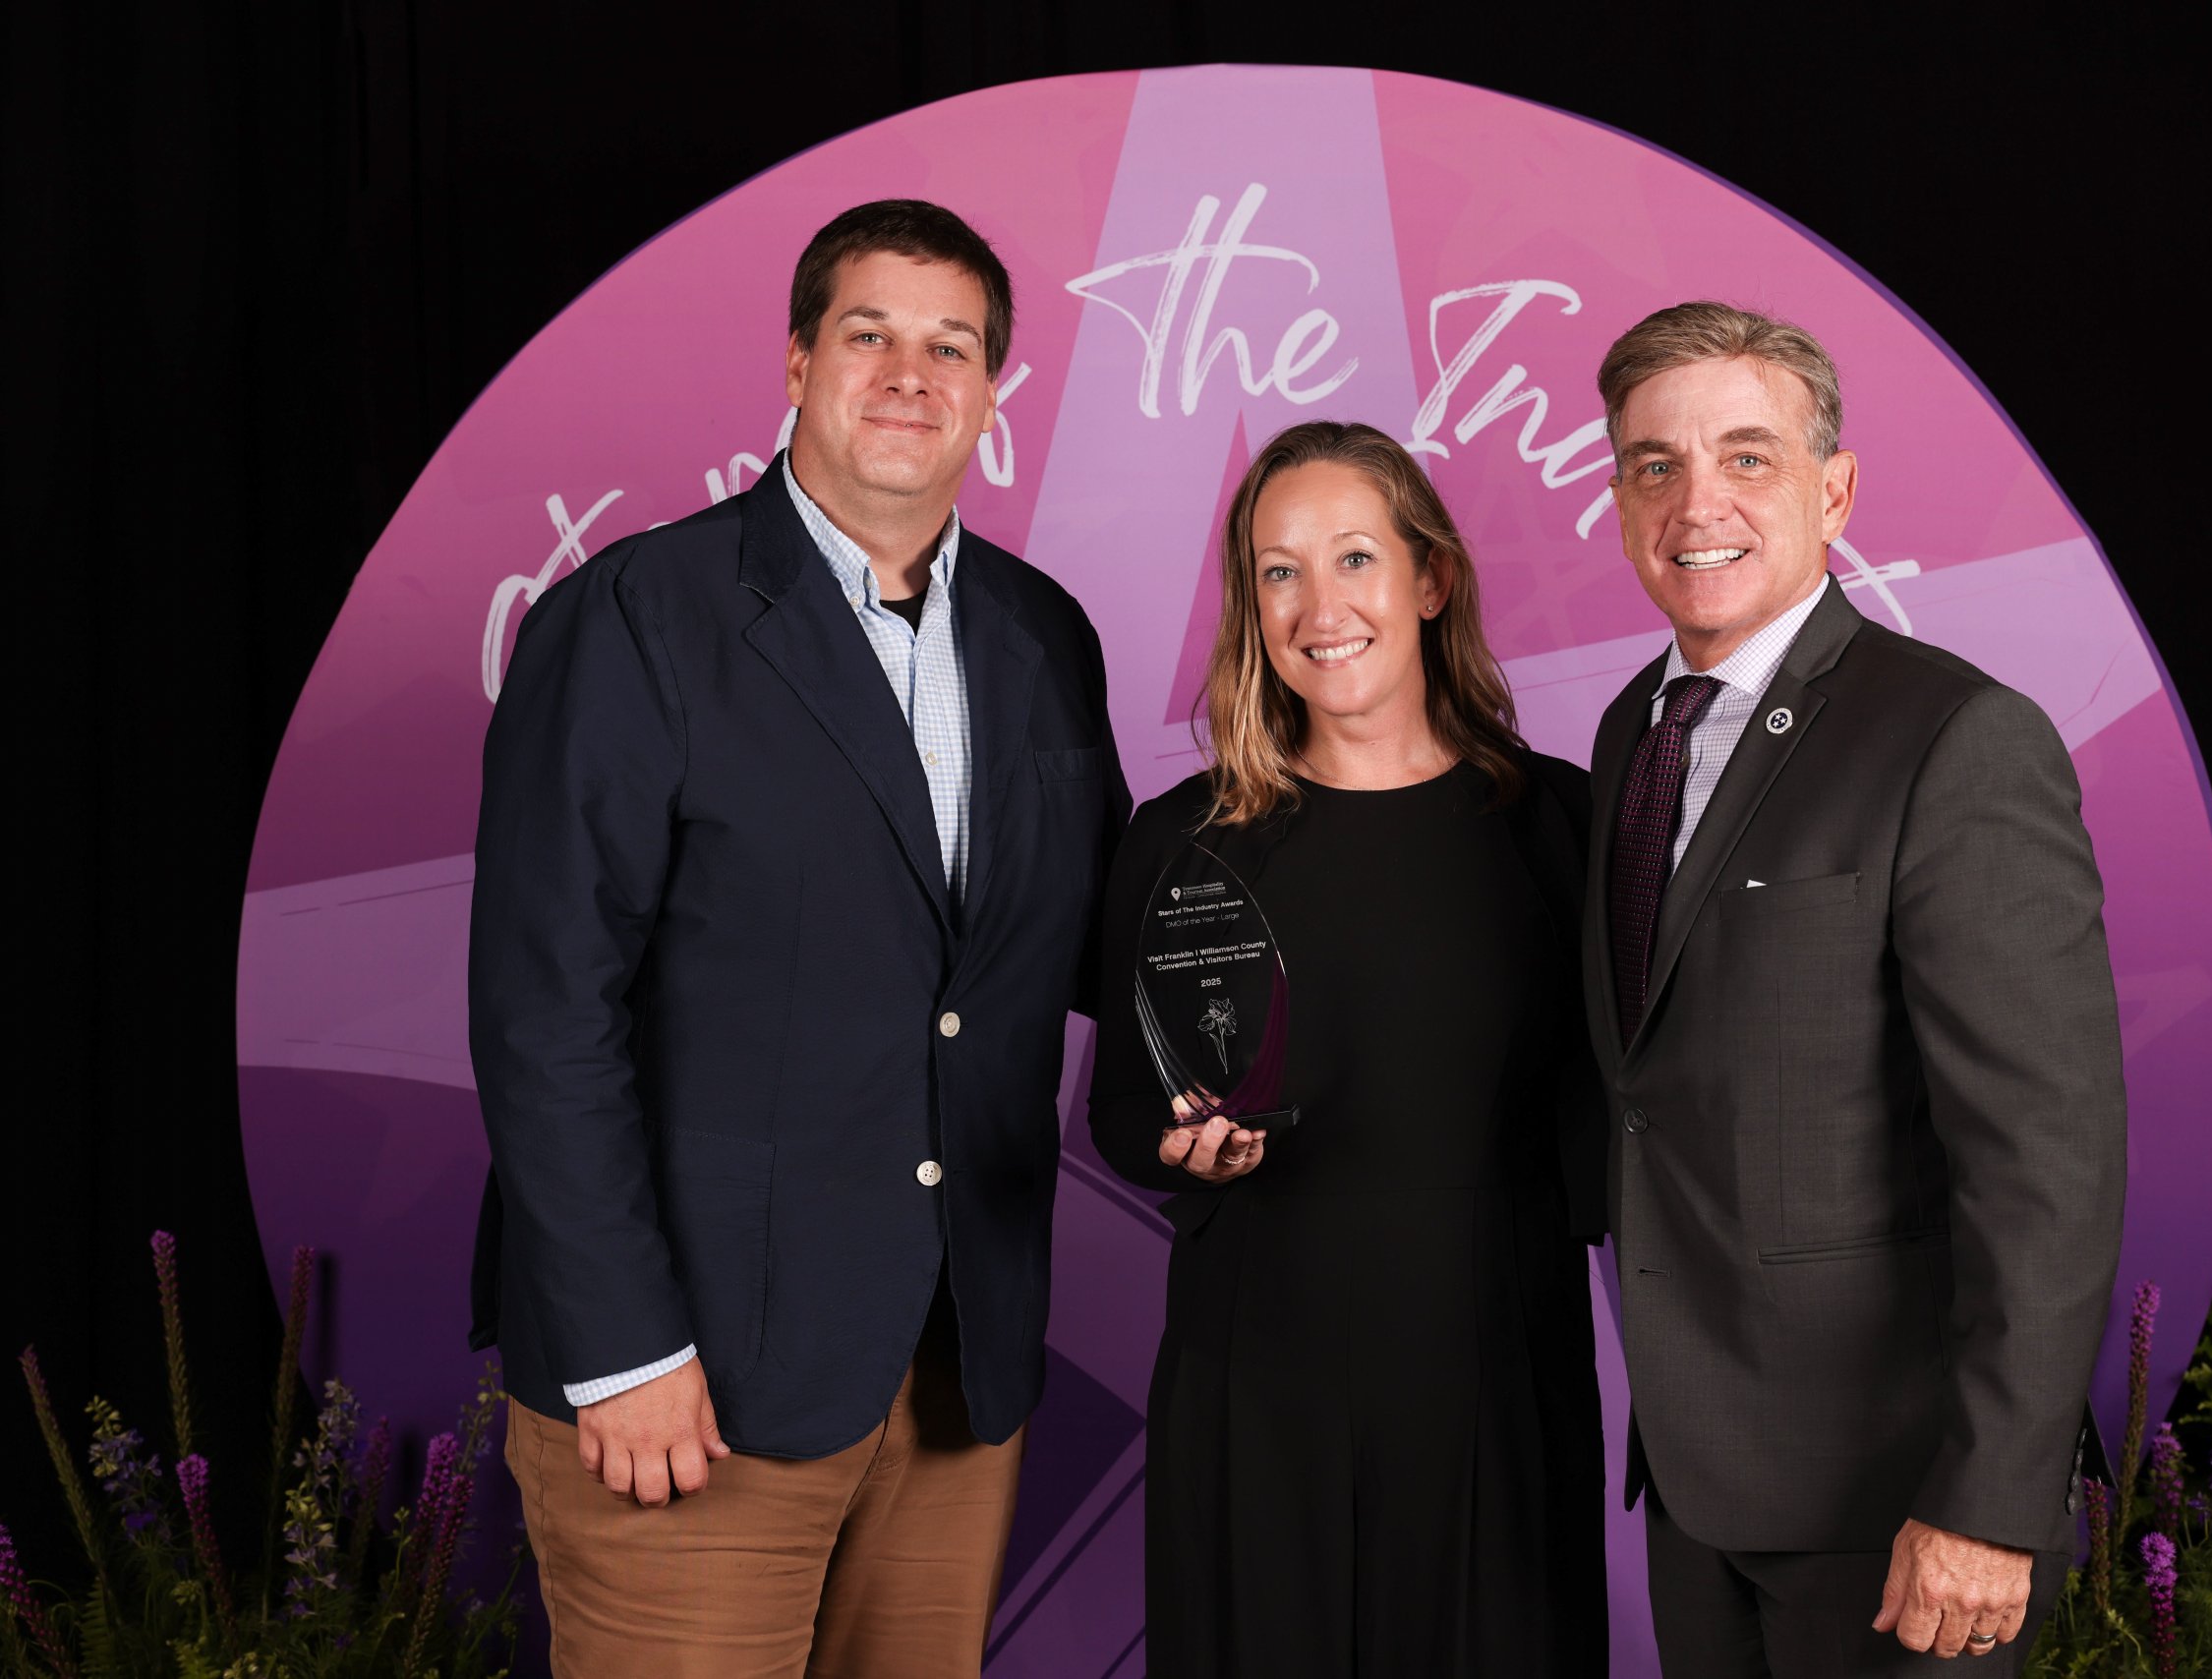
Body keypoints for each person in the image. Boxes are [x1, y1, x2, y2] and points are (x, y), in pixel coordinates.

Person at [466, 199, 1129, 1678]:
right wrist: (623, 1350)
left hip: (953, 1377)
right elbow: (543, 1013)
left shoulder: (1042, 636)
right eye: (868, 334)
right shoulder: (636, 617)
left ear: (993, 391)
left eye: (950, 346)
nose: (909, 375)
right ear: (796, 362)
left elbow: (1093, 939)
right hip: (689, 1384)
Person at [1584, 302, 2125, 1676]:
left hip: (1903, 1508)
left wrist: (1990, 1501)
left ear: (1833, 493)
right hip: (1697, 1483)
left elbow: (2046, 1159)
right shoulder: (1631, 736)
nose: (1696, 503)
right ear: (1620, 499)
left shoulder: (1955, 738)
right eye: (1654, 465)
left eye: (1746, 457)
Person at [1087, 421, 1608, 1679]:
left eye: (1355, 558)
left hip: (1496, 1374)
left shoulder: (1560, 822)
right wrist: (1180, 1150)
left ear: (1431, 579)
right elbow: (1116, 1112)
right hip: (1260, 1379)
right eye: (1279, 571)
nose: (1319, 607)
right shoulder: (1184, 840)